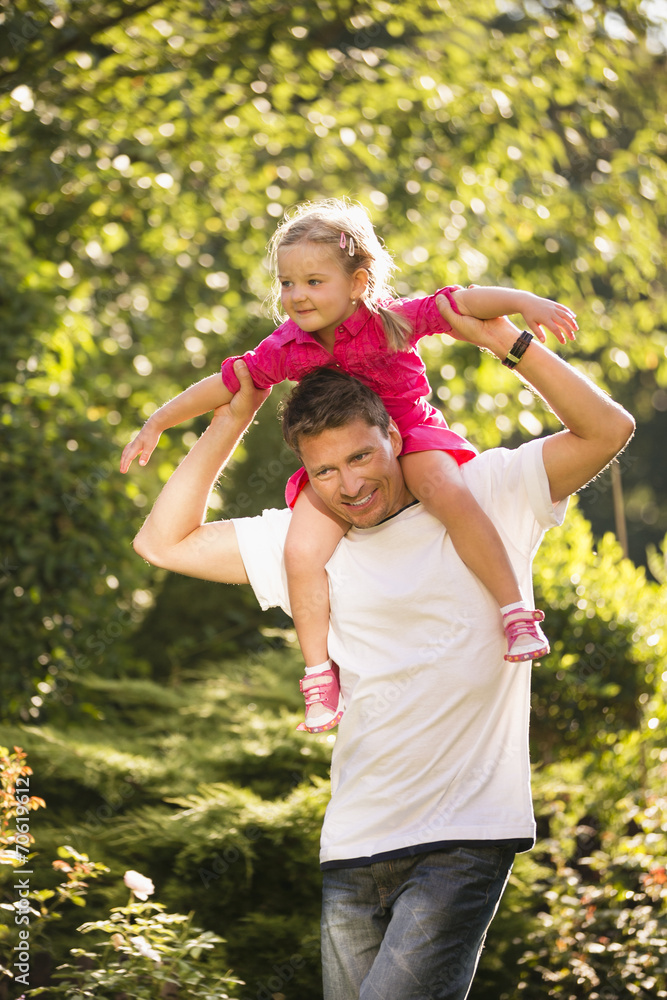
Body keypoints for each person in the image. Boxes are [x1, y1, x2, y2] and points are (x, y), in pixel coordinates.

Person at [132, 302, 634, 1000]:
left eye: (361, 456)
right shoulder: (307, 544)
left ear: (394, 434)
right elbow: (163, 543)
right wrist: (231, 418)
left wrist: (506, 341)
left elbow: (608, 428)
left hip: (464, 836)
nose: (350, 486)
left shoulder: (484, 493)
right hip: (354, 843)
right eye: (325, 471)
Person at [121, 199, 578, 733]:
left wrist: (524, 303)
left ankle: (515, 612)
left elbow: (460, 302)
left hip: (411, 434)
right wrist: (159, 420)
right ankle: (319, 675)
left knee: (443, 490)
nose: (297, 295)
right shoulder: (286, 347)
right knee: (300, 550)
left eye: (314, 282)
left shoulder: (391, 321)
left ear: (359, 282)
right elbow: (230, 382)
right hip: (346, 459)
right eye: (287, 283)